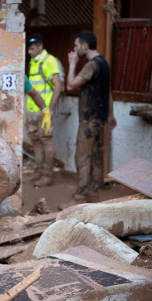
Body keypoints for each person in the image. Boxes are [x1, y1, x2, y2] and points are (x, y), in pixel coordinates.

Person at [62, 30, 116, 208]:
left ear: (85, 46)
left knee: (82, 157)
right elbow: (108, 92)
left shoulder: (91, 65)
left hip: (89, 119)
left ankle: (80, 196)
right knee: (95, 157)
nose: (75, 49)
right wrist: (110, 115)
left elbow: (70, 85)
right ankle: (93, 194)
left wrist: (71, 64)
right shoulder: (104, 63)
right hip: (99, 119)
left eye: (76, 46)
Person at [26, 34, 62, 187]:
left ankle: (48, 175)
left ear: (40, 47)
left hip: (44, 111)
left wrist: (50, 109)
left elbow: (58, 86)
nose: (29, 51)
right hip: (31, 109)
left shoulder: (49, 61)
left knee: (46, 141)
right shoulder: (34, 62)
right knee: (35, 141)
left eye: (32, 48)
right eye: (29, 48)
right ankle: (39, 171)